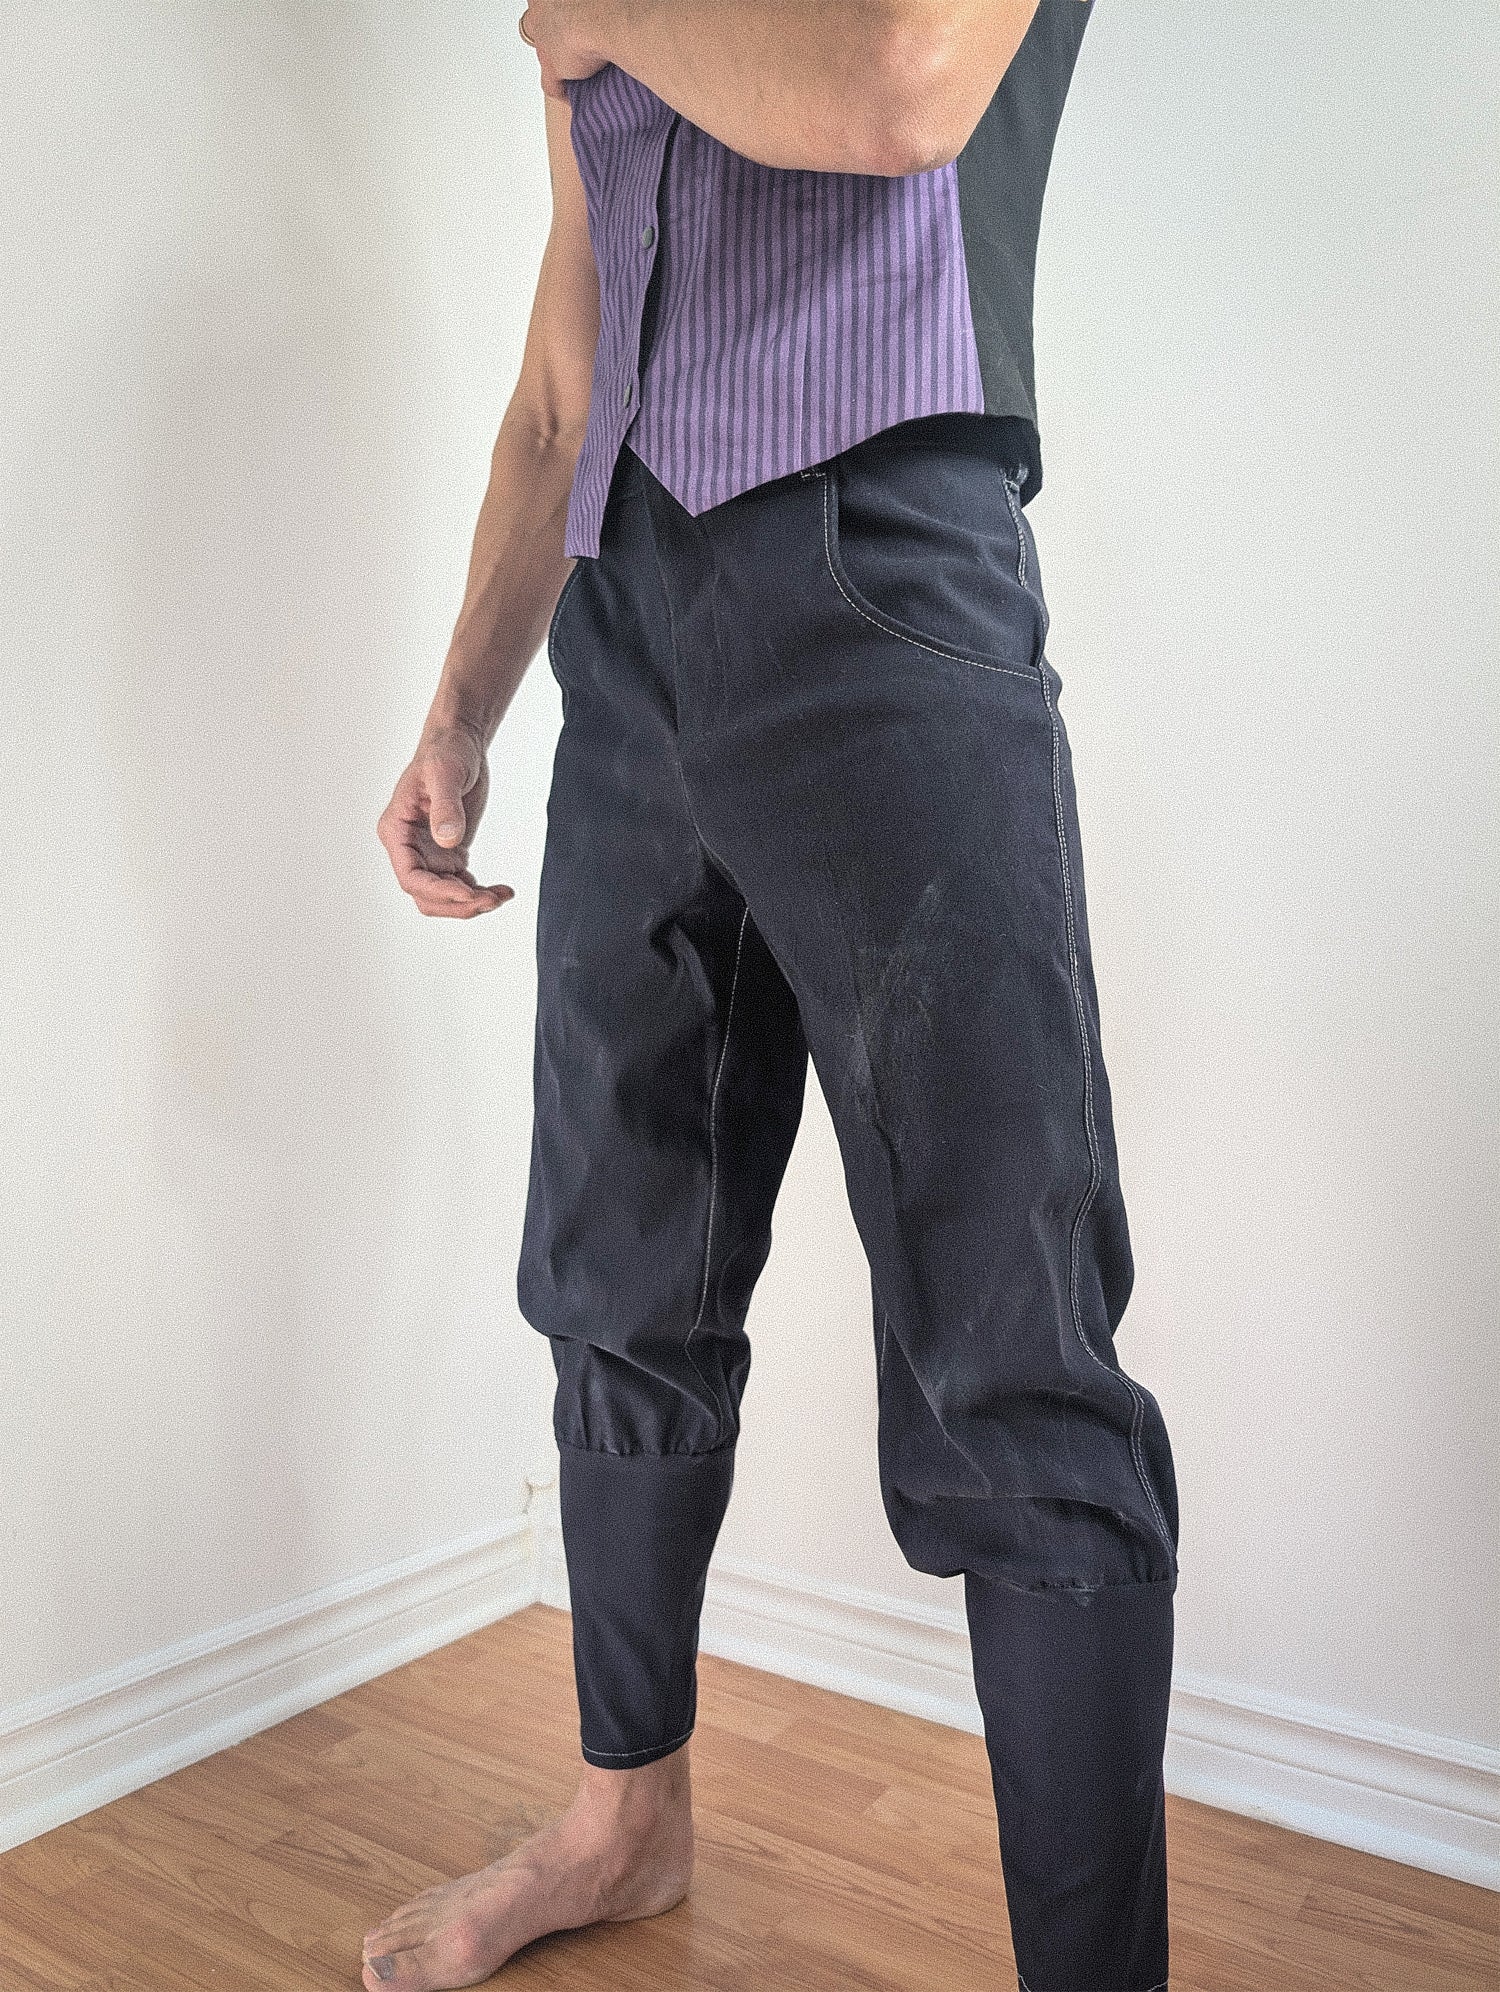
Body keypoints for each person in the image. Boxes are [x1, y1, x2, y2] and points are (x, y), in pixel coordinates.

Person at [370, 3, 1180, 1987]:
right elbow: (565, 383)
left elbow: (902, 88)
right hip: (627, 620)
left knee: (1011, 1335)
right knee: (618, 1260)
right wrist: (462, 704)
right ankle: (622, 1821)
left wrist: (597, 15)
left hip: (882, 572)